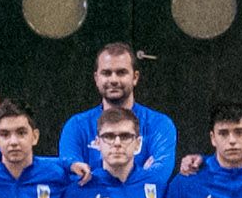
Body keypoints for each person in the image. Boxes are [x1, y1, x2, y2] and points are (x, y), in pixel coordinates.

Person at [56, 40, 180, 178]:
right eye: (106, 73)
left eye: (121, 72)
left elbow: (158, 176)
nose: (113, 80)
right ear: (96, 78)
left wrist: (93, 176)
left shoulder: (160, 124)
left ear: (135, 77)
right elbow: (73, 175)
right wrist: (139, 174)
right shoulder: (76, 126)